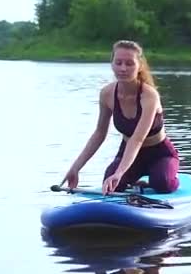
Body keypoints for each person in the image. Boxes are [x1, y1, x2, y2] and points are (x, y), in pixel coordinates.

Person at [60, 40, 180, 195]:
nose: (123, 68)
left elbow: (137, 138)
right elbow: (99, 134)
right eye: (118, 63)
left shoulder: (149, 96)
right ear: (112, 64)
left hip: (159, 153)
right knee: (111, 183)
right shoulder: (107, 94)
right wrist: (75, 168)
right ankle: (137, 183)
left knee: (162, 183)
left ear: (139, 66)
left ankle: (171, 174)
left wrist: (120, 172)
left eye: (129, 63)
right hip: (128, 152)